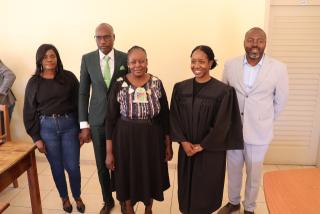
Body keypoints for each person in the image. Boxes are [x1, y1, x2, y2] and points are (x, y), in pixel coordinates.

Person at [218, 27, 289, 214]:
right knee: (233, 171)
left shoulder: (278, 68)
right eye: (250, 40)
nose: (255, 45)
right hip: (233, 130)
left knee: (254, 175)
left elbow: (280, 100)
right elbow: (224, 95)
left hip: (259, 132)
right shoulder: (230, 65)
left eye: (260, 41)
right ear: (244, 41)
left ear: (265, 43)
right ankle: (233, 202)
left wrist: (264, 119)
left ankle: (249, 208)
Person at [170, 45, 244, 214]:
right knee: (186, 185)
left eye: (202, 61)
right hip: (187, 148)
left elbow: (223, 123)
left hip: (211, 150)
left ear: (211, 63)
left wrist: (203, 145)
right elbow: (174, 116)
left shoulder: (224, 91)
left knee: (206, 187)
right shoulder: (180, 88)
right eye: (193, 61)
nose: (197, 65)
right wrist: (183, 141)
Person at [105, 46, 173, 214]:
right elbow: (110, 119)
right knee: (126, 173)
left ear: (147, 62)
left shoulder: (156, 83)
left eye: (141, 61)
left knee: (150, 172)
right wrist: (109, 152)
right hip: (125, 138)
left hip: (152, 137)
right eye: (133, 62)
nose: (138, 65)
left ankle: (148, 208)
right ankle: (128, 207)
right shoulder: (119, 84)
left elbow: (165, 115)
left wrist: (168, 144)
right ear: (128, 64)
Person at [23, 44, 85, 213]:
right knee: (56, 167)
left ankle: (77, 195)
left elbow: (80, 104)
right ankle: (64, 198)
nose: (49, 59)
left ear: (57, 58)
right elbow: (29, 111)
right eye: (45, 57)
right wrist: (36, 138)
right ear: (39, 60)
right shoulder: (34, 82)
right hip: (47, 129)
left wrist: (82, 128)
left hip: (69, 126)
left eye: (52, 56)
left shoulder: (69, 78)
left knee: (73, 166)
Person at [79, 23, 128, 214]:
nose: (103, 41)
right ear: (95, 39)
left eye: (106, 37)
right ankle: (108, 201)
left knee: (122, 162)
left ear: (114, 37)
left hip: (122, 119)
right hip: (97, 120)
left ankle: (124, 200)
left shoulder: (125, 57)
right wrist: (84, 124)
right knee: (101, 164)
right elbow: (83, 93)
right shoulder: (87, 59)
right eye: (98, 37)